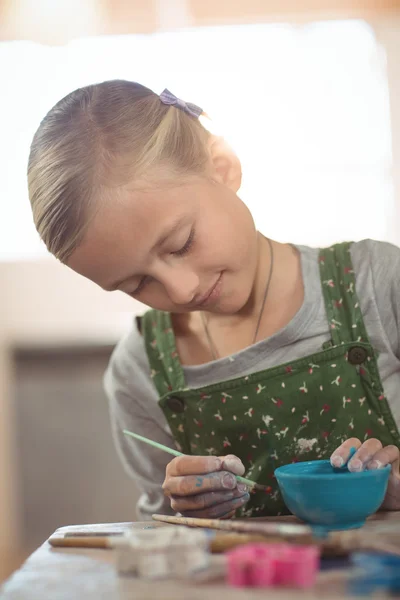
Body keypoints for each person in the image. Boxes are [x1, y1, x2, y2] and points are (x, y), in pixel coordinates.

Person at [27, 80, 400, 521]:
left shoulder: (376, 283)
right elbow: (158, 541)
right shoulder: (140, 371)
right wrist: (180, 512)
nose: (181, 291)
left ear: (222, 167)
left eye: (182, 243)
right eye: (137, 284)